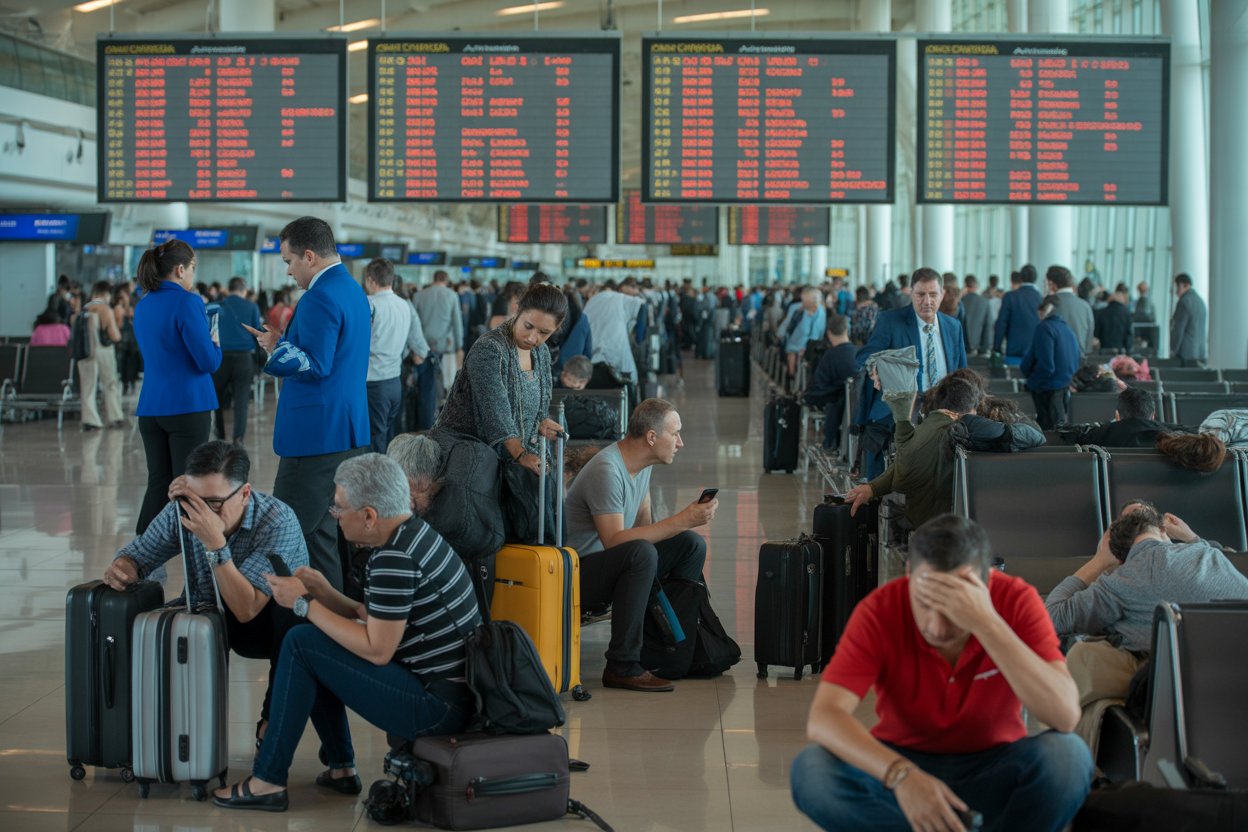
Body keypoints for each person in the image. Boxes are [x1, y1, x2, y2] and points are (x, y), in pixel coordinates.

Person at [213, 454, 481, 812]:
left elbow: (377, 650)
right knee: (316, 641)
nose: (334, 515)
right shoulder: (412, 534)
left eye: (339, 508)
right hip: (452, 694)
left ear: (369, 515)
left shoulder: (394, 558)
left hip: (437, 709)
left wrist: (303, 604)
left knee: (301, 642)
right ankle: (340, 768)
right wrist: (324, 593)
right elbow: (372, 615)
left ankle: (268, 780)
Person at [791, 514, 1090, 832]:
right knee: (812, 770)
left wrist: (987, 624)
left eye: (952, 609)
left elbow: (1064, 716)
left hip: (995, 764)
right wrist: (901, 775)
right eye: (925, 603)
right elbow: (825, 718)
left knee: (1069, 758)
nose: (936, 627)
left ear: (984, 586)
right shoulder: (881, 609)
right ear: (909, 575)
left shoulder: (1017, 600)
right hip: (904, 764)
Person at [103, 441, 308, 745]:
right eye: (195, 501)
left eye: (214, 503)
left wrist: (216, 545)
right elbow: (140, 553)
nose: (202, 513)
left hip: (266, 624)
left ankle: (271, 726)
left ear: (245, 493)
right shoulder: (188, 508)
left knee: (296, 620)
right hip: (207, 614)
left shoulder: (277, 520)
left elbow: (247, 609)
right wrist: (123, 566)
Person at [1045, 502, 1248, 752]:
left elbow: (1052, 617)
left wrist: (1098, 562)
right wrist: (1193, 539)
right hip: (1237, 683)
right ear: (1163, 531)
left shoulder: (1121, 580)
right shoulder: (1210, 555)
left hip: (1179, 696)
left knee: (1084, 655)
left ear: (1118, 555)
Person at [244, 217, 371, 593]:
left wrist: (276, 349)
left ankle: (306, 618)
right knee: (322, 535)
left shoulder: (319, 297)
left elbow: (316, 363)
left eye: (289, 261)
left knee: (290, 533)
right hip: (345, 429)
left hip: (315, 438)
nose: (288, 271)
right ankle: (331, 616)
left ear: (309, 257)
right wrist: (282, 342)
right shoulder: (351, 290)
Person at [565, 399, 715, 692]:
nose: (680, 443)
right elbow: (614, 541)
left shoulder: (642, 466)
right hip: (579, 575)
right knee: (641, 553)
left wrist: (683, 527)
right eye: (675, 434)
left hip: (616, 565)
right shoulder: (607, 470)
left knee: (690, 545)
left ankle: (671, 649)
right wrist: (683, 519)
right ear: (651, 437)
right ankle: (622, 664)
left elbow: (645, 528)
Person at [133, 239, 221, 534]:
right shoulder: (188, 302)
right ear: (180, 269)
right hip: (187, 405)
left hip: (151, 407)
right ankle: (195, 548)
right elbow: (207, 362)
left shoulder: (143, 305)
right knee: (189, 483)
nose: (193, 274)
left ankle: (141, 549)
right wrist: (215, 344)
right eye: (193, 267)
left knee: (158, 482)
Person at [434, 283, 567, 473]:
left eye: (544, 333)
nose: (532, 337)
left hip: (507, 461)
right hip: (468, 462)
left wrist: (540, 423)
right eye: (528, 326)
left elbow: (534, 407)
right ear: (517, 310)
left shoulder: (541, 353)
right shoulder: (489, 349)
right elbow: (496, 413)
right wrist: (521, 454)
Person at [854, 267, 968, 480]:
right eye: (920, 294)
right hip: (901, 410)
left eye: (933, 294)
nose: (927, 301)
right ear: (911, 293)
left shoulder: (953, 326)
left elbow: (962, 373)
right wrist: (876, 368)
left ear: (942, 294)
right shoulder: (891, 321)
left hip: (942, 411)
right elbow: (865, 354)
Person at [845, 376, 983, 529]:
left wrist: (872, 488)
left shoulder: (925, 428)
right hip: (947, 527)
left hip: (920, 521)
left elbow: (907, 461)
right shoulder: (958, 433)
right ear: (970, 410)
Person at [363, 258, 423, 453]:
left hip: (373, 382)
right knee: (386, 436)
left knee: (374, 441)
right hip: (394, 383)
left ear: (370, 280)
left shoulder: (369, 304)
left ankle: (378, 473)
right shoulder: (404, 305)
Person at [211, 276, 263, 444]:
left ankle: (220, 435)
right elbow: (257, 334)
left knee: (217, 399)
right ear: (244, 290)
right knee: (241, 401)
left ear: (229, 290)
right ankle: (238, 439)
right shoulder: (252, 307)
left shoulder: (217, 306)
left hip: (220, 358)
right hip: (244, 359)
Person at [1021, 295, 1082, 430]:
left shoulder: (1044, 328)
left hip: (1047, 390)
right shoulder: (1067, 329)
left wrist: (1031, 383)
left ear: (1043, 311)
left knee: (1046, 432)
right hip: (1064, 388)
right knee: (1058, 432)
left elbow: (1046, 366)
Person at [76, 281, 125, 433]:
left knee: (88, 386)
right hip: (103, 350)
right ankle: (114, 417)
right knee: (110, 383)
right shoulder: (105, 309)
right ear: (106, 293)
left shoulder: (84, 309)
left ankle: (90, 421)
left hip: (85, 351)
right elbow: (114, 335)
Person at [804, 315, 857, 451]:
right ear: (847, 330)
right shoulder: (859, 353)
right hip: (859, 410)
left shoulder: (830, 356)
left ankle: (829, 444)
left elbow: (817, 388)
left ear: (828, 333)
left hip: (838, 412)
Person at [1063, 387, 1176, 447]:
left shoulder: (1100, 435)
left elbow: (1066, 435)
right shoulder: (1172, 439)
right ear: (1153, 415)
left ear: (1117, 415)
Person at [413, 270, 465, 396]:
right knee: (441, 379)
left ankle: (426, 404)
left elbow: (413, 323)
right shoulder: (452, 295)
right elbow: (457, 323)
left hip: (423, 345)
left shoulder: (419, 295)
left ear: (433, 279)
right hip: (444, 345)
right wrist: (459, 346)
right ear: (446, 281)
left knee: (424, 383)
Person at [583, 280, 647, 380]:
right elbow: (642, 305)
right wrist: (639, 338)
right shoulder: (618, 297)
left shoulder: (591, 301)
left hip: (593, 355)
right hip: (616, 353)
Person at [992, 266, 1042, 365]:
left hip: (1014, 351)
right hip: (1036, 353)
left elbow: (1001, 324)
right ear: (1036, 278)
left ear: (1021, 278)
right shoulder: (1041, 298)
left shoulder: (1010, 297)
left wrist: (996, 348)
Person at [1045, 266, 1095, 357]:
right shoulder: (1086, 306)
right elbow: (1088, 346)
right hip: (1079, 361)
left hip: (1055, 361)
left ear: (1051, 284)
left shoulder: (1048, 306)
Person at [781, 288, 827, 380]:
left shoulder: (818, 312)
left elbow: (815, 333)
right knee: (792, 353)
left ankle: (792, 376)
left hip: (806, 343)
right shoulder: (806, 309)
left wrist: (807, 347)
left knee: (792, 353)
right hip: (801, 341)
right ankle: (792, 376)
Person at [1170, 272, 1208, 367]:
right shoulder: (1200, 301)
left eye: (1178, 287)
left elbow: (1178, 329)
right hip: (1200, 353)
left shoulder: (1183, 302)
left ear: (1186, 285)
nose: (1176, 291)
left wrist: (1173, 350)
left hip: (1185, 354)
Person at [1093, 283, 1133, 354]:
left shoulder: (1102, 312)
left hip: (1104, 350)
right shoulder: (1126, 313)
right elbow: (1128, 335)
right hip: (1120, 351)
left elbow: (1096, 333)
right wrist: (1128, 352)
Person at [960, 274, 993, 356]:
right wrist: (985, 347)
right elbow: (988, 326)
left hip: (962, 345)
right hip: (979, 346)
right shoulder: (985, 302)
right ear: (977, 286)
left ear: (965, 285)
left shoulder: (961, 301)